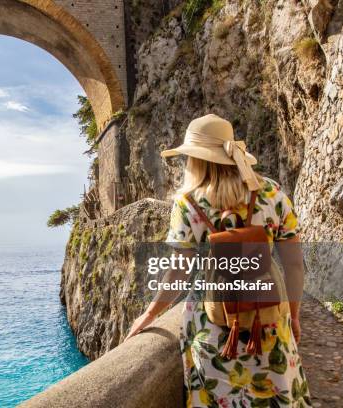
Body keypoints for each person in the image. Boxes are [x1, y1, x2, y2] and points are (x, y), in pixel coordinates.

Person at [125, 114, 311, 407]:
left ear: (196, 159)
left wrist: (150, 314)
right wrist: (294, 314)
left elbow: (179, 272)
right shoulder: (273, 194)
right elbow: (295, 265)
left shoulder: (188, 203)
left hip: (211, 326)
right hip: (270, 319)